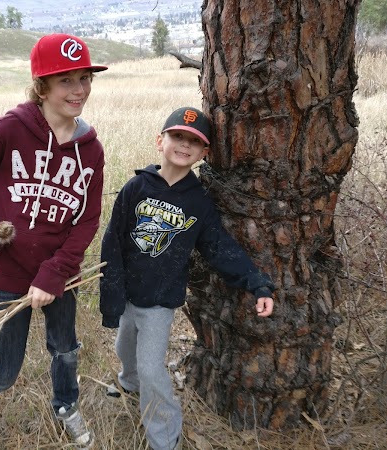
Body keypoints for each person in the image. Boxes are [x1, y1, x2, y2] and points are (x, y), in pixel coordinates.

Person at [0, 33, 107, 449]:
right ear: (41, 86)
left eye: (84, 78)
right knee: (6, 364)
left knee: (65, 349)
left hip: (61, 275)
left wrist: (55, 273)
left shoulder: (91, 150)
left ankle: (66, 405)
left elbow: (87, 219)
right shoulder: (8, 130)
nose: (79, 90)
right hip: (9, 274)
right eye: (66, 80)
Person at [99, 107, 275, 450]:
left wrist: (257, 282)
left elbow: (219, 247)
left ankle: (165, 438)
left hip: (160, 302)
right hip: (128, 294)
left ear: (204, 153)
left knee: (152, 369)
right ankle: (129, 384)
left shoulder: (198, 202)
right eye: (177, 136)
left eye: (193, 141)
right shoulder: (136, 187)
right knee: (124, 349)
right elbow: (113, 241)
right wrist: (111, 294)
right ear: (159, 141)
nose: (184, 145)